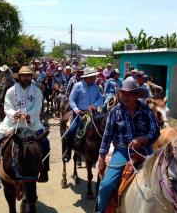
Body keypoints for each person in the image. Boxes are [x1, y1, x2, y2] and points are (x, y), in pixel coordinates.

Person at [97, 77, 160, 213]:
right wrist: (101, 158)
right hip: (122, 151)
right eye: (123, 93)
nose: (125, 97)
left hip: (144, 149)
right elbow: (106, 137)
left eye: (129, 93)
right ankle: (101, 210)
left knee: (163, 177)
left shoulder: (146, 110)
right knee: (106, 185)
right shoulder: (115, 112)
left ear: (137, 95)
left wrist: (142, 139)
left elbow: (155, 132)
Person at [0, 66, 50, 182]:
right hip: (12, 122)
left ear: (31, 77)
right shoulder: (11, 91)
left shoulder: (37, 91)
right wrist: (14, 114)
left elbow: (38, 106)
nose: (26, 77)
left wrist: (30, 115)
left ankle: (44, 170)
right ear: (19, 77)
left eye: (28, 75)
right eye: (23, 75)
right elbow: (7, 106)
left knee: (45, 142)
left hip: (31, 123)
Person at [63, 67, 103, 162]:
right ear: (87, 77)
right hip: (80, 113)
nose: (95, 78)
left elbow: (100, 98)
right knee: (71, 131)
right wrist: (76, 110)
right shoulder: (78, 86)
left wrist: (95, 105)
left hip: (92, 112)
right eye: (93, 76)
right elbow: (71, 99)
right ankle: (68, 151)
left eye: (94, 76)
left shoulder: (95, 86)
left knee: (102, 129)